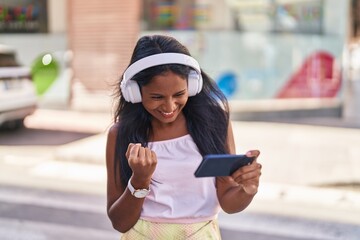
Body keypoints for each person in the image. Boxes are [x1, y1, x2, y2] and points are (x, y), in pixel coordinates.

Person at [106, 35, 262, 239]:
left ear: (193, 85)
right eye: (156, 97)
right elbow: (119, 222)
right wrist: (140, 180)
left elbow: (228, 201)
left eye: (179, 94)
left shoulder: (215, 123)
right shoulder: (120, 134)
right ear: (134, 92)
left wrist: (247, 189)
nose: (169, 107)